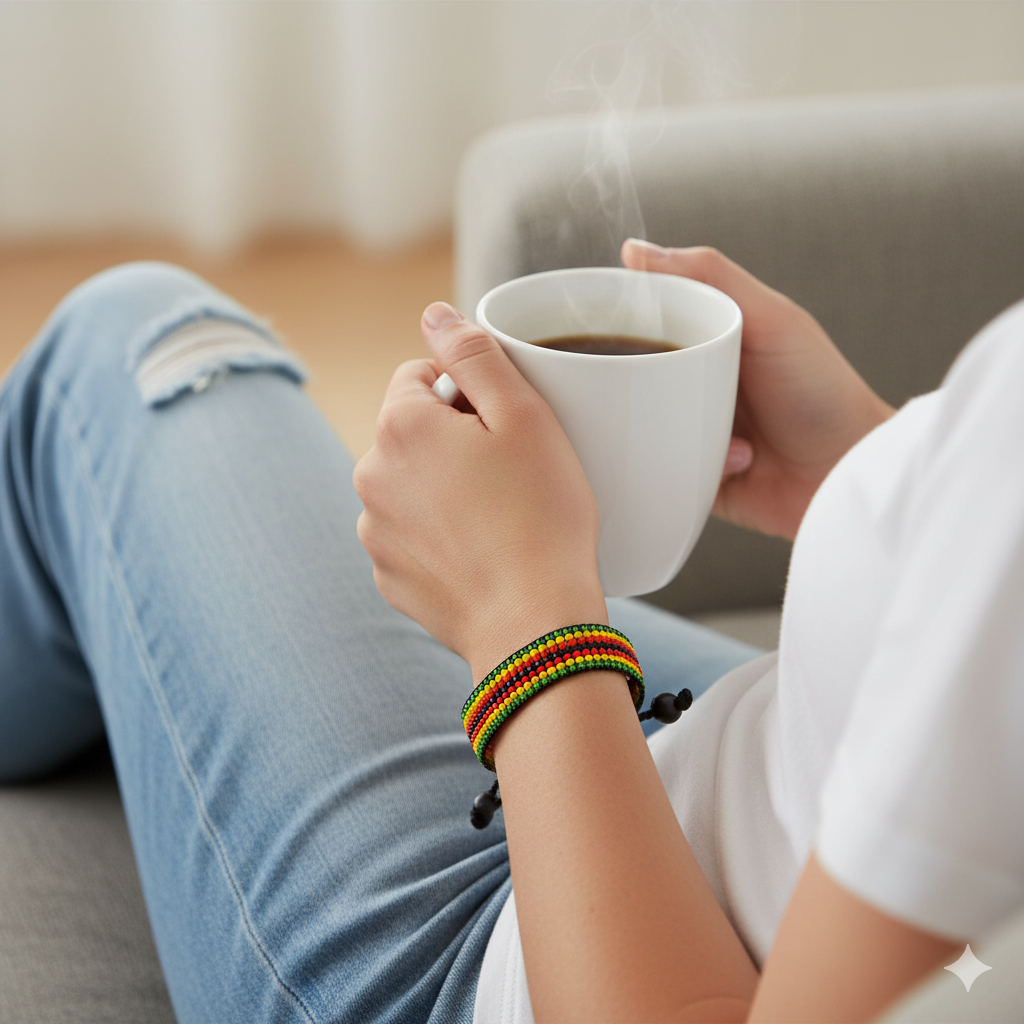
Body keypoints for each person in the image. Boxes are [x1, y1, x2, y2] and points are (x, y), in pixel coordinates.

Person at [0, 241, 1020, 1023]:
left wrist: (529, 624)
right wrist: (884, 484)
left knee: (138, 332)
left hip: (529, 969)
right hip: (787, 772)